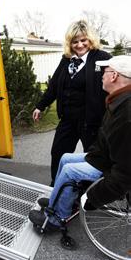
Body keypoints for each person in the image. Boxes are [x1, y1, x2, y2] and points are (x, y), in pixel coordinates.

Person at [29, 55, 131, 230]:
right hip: (104, 157)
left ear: (114, 76)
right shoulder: (118, 100)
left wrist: (93, 198)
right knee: (65, 158)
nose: (101, 76)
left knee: (70, 170)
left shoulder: (126, 113)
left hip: (111, 166)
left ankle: (55, 218)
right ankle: (59, 200)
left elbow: (125, 172)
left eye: (104, 72)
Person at [33, 20, 111, 185]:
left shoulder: (101, 58)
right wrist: (40, 105)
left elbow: (116, 82)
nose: (80, 45)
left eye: (84, 40)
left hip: (91, 120)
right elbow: (54, 86)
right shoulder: (66, 60)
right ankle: (57, 186)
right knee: (58, 152)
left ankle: (88, 192)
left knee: (91, 157)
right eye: (75, 41)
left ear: (90, 40)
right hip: (68, 118)